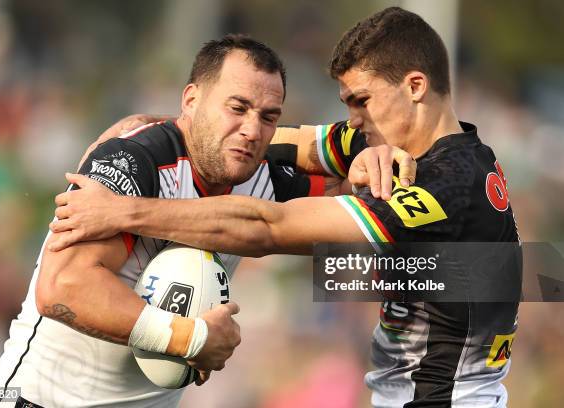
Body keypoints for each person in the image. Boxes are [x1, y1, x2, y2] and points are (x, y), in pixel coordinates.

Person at [51, 8, 522, 408]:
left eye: (361, 101)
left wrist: (123, 211)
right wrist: (175, 127)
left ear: (415, 86)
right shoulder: (406, 144)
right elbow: (289, 140)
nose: (353, 119)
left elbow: (266, 228)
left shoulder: (447, 184)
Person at [0, 34, 414, 408]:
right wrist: (190, 340)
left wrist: (372, 162)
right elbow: (62, 288)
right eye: (237, 107)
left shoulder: (263, 175)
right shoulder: (134, 159)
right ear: (191, 100)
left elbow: (351, 204)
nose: (251, 129)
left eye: (268, 117)